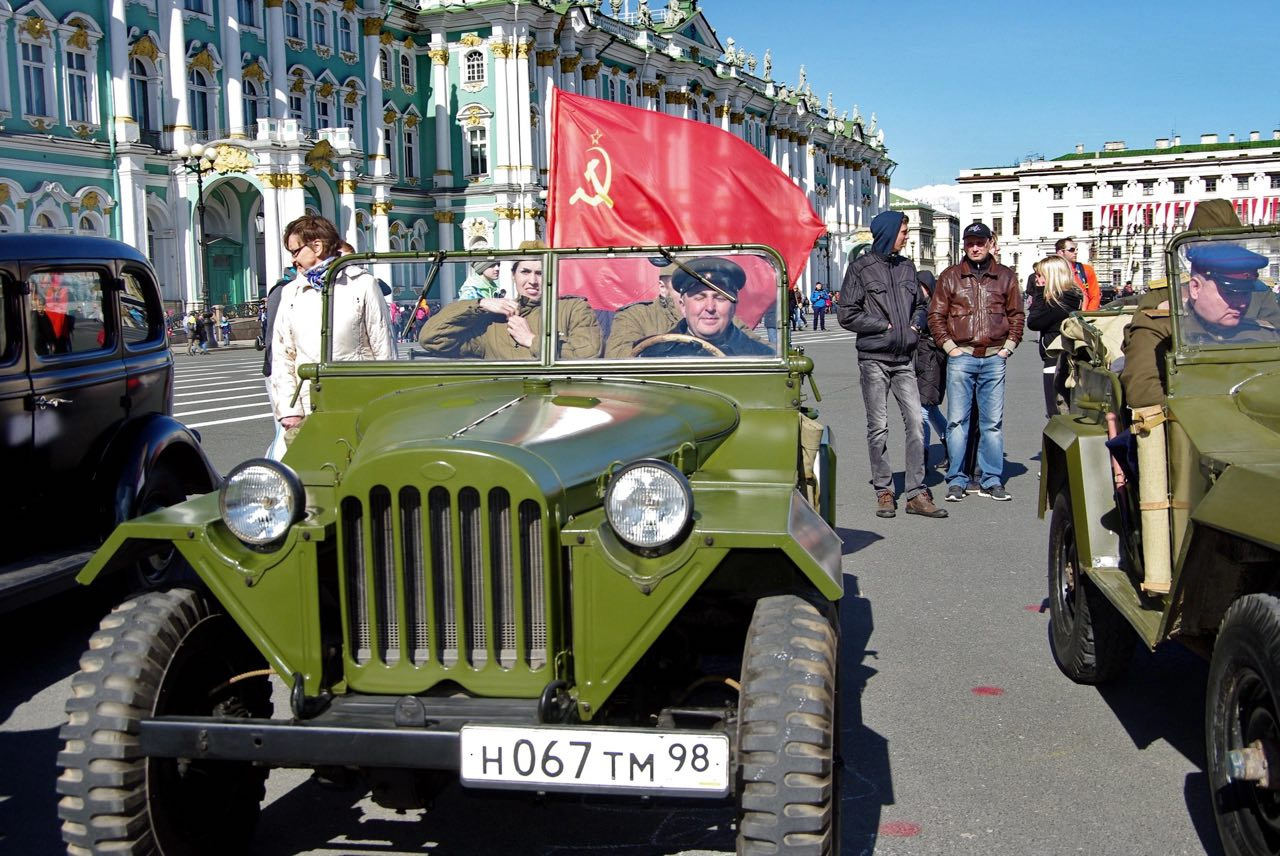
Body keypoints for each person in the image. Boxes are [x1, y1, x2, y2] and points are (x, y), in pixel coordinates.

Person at [838, 210, 946, 519]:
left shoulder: (907, 267)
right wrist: (882, 326)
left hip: (904, 360)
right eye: (903, 231)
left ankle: (915, 492)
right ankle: (884, 490)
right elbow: (847, 312)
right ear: (888, 233)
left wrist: (914, 326)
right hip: (873, 359)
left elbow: (923, 305)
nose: (907, 236)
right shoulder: (860, 269)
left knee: (916, 422)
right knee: (879, 427)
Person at [272, 216, 397, 439]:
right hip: (309, 402)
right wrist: (290, 411)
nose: (293, 260)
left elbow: (383, 346)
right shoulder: (291, 292)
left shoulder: (362, 284)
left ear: (317, 246)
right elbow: (283, 354)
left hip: (358, 399)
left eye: (295, 251)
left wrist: (385, 400)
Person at [928, 221, 1024, 502]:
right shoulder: (950, 276)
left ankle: (991, 479)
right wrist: (949, 346)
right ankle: (957, 479)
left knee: (992, 423)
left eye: (980, 242)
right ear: (964, 245)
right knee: (957, 422)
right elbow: (936, 315)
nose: (975, 247)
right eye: (970, 242)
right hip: (962, 356)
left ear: (989, 243)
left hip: (995, 357)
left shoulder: (1005, 276)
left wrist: (1009, 345)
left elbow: (1017, 313)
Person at [419, 243, 602, 360]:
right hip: (506, 406)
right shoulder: (492, 322)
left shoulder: (572, 309)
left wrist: (532, 340)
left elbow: (589, 353)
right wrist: (479, 304)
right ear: (513, 276)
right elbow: (432, 339)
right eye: (525, 272)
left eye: (540, 273)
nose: (532, 281)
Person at [634, 257, 774, 358]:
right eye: (699, 297)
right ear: (683, 306)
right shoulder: (652, 355)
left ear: (734, 306)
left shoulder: (762, 357)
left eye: (720, 297)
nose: (710, 307)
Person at [1026, 255, 1082, 418]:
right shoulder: (1071, 296)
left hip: (1055, 360)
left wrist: (1038, 293)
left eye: (1039, 276)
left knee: (1056, 413)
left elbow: (1034, 321)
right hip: (1061, 359)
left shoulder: (1058, 302)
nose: (1036, 280)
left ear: (1052, 277)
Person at [604, 263, 683, 358]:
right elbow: (618, 357)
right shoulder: (636, 315)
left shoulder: (703, 316)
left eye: (696, 286)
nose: (689, 294)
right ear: (663, 288)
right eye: (680, 287)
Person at [913, 270, 948, 473]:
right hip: (922, 361)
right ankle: (951, 445)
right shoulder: (919, 305)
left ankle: (922, 455)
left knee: (922, 411)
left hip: (932, 362)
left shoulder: (934, 308)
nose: (919, 291)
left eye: (922, 287)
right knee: (931, 410)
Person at [1056, 236, 1101, 311]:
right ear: (1060, 252)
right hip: (1061, 315)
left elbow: (1095, 296)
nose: (1076, 252)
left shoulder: (1086, 269)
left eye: (1076, 249)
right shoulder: (1053, 271)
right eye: (1071, 250)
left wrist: (1088, 314)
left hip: (1084, 315)